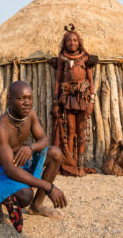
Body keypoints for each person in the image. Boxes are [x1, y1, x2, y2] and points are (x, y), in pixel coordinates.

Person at [0, 81, 67, 233]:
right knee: (25, 196)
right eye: (21, 98)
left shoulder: (30, 115)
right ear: (9, 99)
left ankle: (37, 206)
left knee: (55, 153)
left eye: (30, 98)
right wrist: (48, 187)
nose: (27, 103)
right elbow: (9, 170)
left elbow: (44, 140)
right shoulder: (0, 126)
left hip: (20, 163)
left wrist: (30, 147)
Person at [51, 24, 97, 177]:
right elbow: (58, 81)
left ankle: (81, 166)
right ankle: (69, 165)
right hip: (68, 99)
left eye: (75, 40)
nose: (72, 43)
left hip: (83, 99)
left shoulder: (85, 57)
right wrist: (55, 102)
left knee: (81, 132)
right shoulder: (62, 58)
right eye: (69, 40)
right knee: (70, 131)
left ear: (79, 42)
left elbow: (90, 81)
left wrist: (91, 101)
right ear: (65, 43)